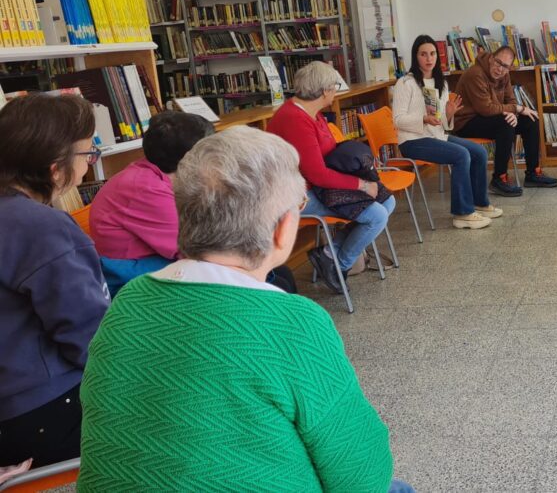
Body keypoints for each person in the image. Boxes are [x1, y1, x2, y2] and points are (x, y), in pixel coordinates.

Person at [78, 127, 408, 492]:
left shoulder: (130, 301)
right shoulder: (295, 323)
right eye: (299, 206)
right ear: (283, 230)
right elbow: (363, 477)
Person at [0, 94, 110, 469]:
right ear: (53, 168)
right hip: (43, 408)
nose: (89, 166)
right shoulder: (41, 229)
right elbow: (88, 336)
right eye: (86, 155)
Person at [267, 61, 394, 293]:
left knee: (387, 200)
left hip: (318, 185)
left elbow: (330, 155)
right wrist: (361, 185)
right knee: (376, 215)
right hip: (297, 194)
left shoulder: (314, 114)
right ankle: (340, 265)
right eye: (335, 86)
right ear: (325, 90)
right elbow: (317, 174)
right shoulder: (295, 119)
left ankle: (329, 254)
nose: (336, 90)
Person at [89, 111, 214, 294]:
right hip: (128, 281)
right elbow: (194, 248)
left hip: (149, 265)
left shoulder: (155, 174)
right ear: (192, 158)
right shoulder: (146, 188)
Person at [394, 35, 501, 229]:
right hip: (412, 141)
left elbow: (442, 123)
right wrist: (422, 119)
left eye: (433, 54)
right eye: (423, 54)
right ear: (415, 57)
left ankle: (480, 203)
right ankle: (462, 213)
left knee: (479, 152)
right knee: (461, 155)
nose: (429, 59)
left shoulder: (440, 83)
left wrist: (448, 114)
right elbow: (398, 120)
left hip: (437, 136)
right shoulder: (405, 83)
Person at [453, 45, 557, 196]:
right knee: (506, 124)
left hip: (492, 116)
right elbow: (485, 108)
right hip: (467, 121)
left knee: (531, 119)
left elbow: (511, 100)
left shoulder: (504, 75)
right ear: (491, 58)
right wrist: (515, 110)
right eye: (498, 63)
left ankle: (533, 173)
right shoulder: (475, 74)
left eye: (505, 66)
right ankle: (499, 178)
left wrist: (514, 113)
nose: (500, 69)